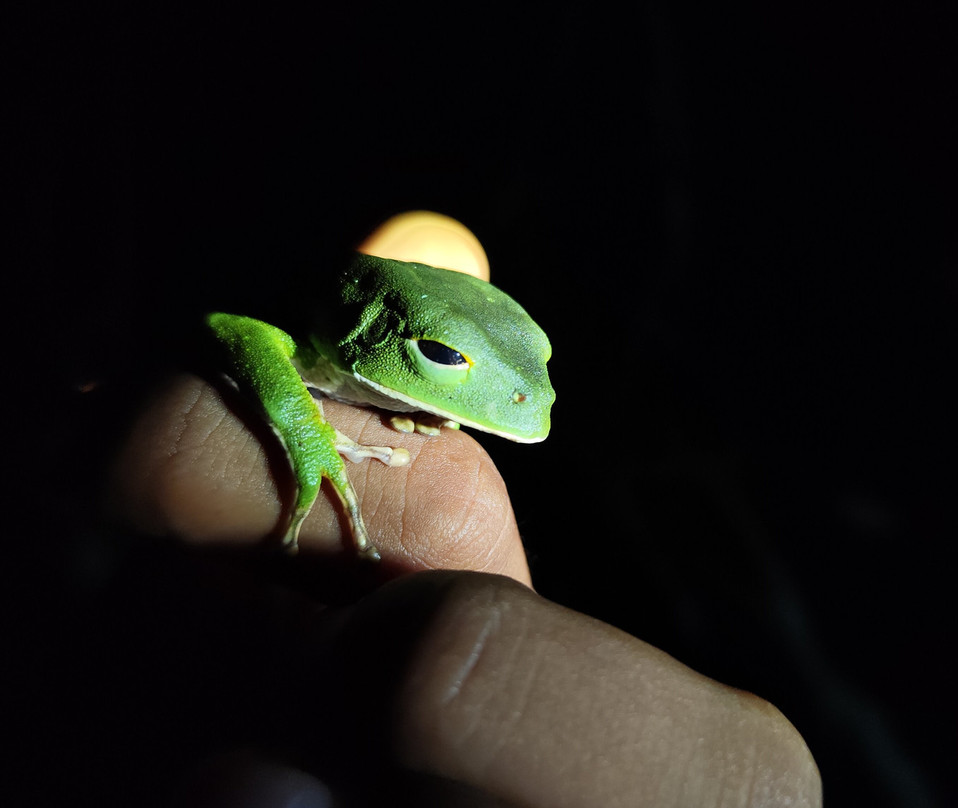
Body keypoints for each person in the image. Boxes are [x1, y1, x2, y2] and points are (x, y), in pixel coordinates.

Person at [108, 214, 821, 807]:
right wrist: (302, 429)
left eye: (539, 357)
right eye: (446, 353)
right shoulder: (316, 317)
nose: (535, 394)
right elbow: (237, 329)